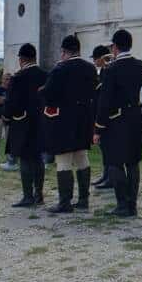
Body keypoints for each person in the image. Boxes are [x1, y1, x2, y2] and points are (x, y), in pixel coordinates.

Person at [42, 34, 98, 214]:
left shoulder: (60, 69)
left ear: (65, 51)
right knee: (82, 156)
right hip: (84, 119)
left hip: (64, 120)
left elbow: (49, 95)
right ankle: (83, 200)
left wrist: (42, 92)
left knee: (63, 159)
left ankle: (65, 202)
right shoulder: (90, 68)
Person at [94, 29, 142, 217]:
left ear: (115, 47)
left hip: (116, 120)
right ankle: (132, 204)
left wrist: (98, 127)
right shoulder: (140, 65)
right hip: (135, 116)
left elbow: (104, 101)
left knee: (115, 162)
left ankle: (122, 204)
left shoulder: (111, 70)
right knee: (133, 162)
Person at [4, 44, 48, 207]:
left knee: (25, 160)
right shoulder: (46, 75)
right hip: (42, 122)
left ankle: (28, 196)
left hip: (22, 123)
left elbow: (11, 103)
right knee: (38, 159)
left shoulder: (18, 78)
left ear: (22, 59)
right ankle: (39, 194)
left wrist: (6, 115)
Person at [91, 45, 113, 190]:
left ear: (100, 58)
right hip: (100, 112)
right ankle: (106, 174)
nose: (94, 61)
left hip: (107, 115)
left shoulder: (108, 71)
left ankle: (110, 177)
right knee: (104, 148)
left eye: (95, 59)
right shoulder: (103, 71)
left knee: (108, 148)